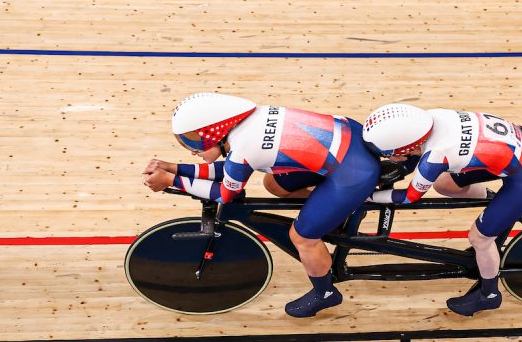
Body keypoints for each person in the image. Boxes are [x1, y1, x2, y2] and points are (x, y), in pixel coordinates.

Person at [142, 93, 379, 317]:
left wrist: (172, 180)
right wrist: (173, 168)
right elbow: (228, 169)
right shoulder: (249, 121)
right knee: (274, 184)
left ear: (215, 131)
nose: (191, 149)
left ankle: (325, 292)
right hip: (349, 139)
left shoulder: (243, 149)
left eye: (193, 139)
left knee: (302, 238)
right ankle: (334, 212)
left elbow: (226, 194)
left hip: (353, 173)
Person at [362, 103, 522, 316]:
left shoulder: (435, 157)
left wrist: (369, 196)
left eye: (389, 153)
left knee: (479, 239)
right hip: (518, 146)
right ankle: (495, 204)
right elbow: (410, 159)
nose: (388, 157)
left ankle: (489, 294)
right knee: (446, 184)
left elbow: (409, 197)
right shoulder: (430, 118)